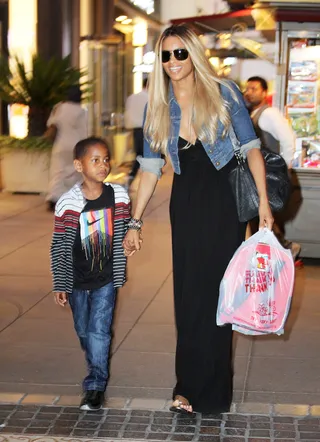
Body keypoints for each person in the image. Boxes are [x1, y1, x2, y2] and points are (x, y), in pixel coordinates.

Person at [123, 24, 273, 414]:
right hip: (186, 203)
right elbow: (151, 169)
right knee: (188, 295)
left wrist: (264, 206)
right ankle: (186, 388)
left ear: (193, 54)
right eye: (166, 55)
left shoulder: (223, 93)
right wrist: (134, 222)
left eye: (180, 53)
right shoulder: (156, 105)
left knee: (218, 293)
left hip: (223, 202)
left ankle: (214, 391)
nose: (173, 62)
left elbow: (252, 149)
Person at [50, 137, 131, 411]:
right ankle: (95, 360)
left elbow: (128, 227)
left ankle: (95, 385)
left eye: (106, 159)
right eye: (95, 160)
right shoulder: (67, 203)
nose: (103, 165)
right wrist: (59, 282)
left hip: (106, 279)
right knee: (84, 330)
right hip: (75, 280)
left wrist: (135, 233)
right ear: (79, 165)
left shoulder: (119, 196)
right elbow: (59, 245)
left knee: (99, 331)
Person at [244, 76, 300, 258]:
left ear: (264, 92)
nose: (249, 92)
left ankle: (285, 250)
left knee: (261, 215)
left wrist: (284, 169)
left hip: (271, 176)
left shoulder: (268, 114)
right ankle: (278, 253)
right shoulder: (255, 113)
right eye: (248, 89)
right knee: (259, 217)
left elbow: (288, 140)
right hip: (261, 176)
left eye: (254, 89)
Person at [46, 85, 88, 211]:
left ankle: (53, 198)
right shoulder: (82, 111)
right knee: (76, 174)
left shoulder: (59, 107)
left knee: (58, 172)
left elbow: (51, 124)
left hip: (61, 144)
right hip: (76, 145)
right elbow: (85, 131)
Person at [124, 77, 148, 186]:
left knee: (139, 154)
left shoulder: (132, 97)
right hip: (147, 130)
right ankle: (145, 181)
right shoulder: (149, 98)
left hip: (135, 130)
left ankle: (132, 176)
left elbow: (128, 114)